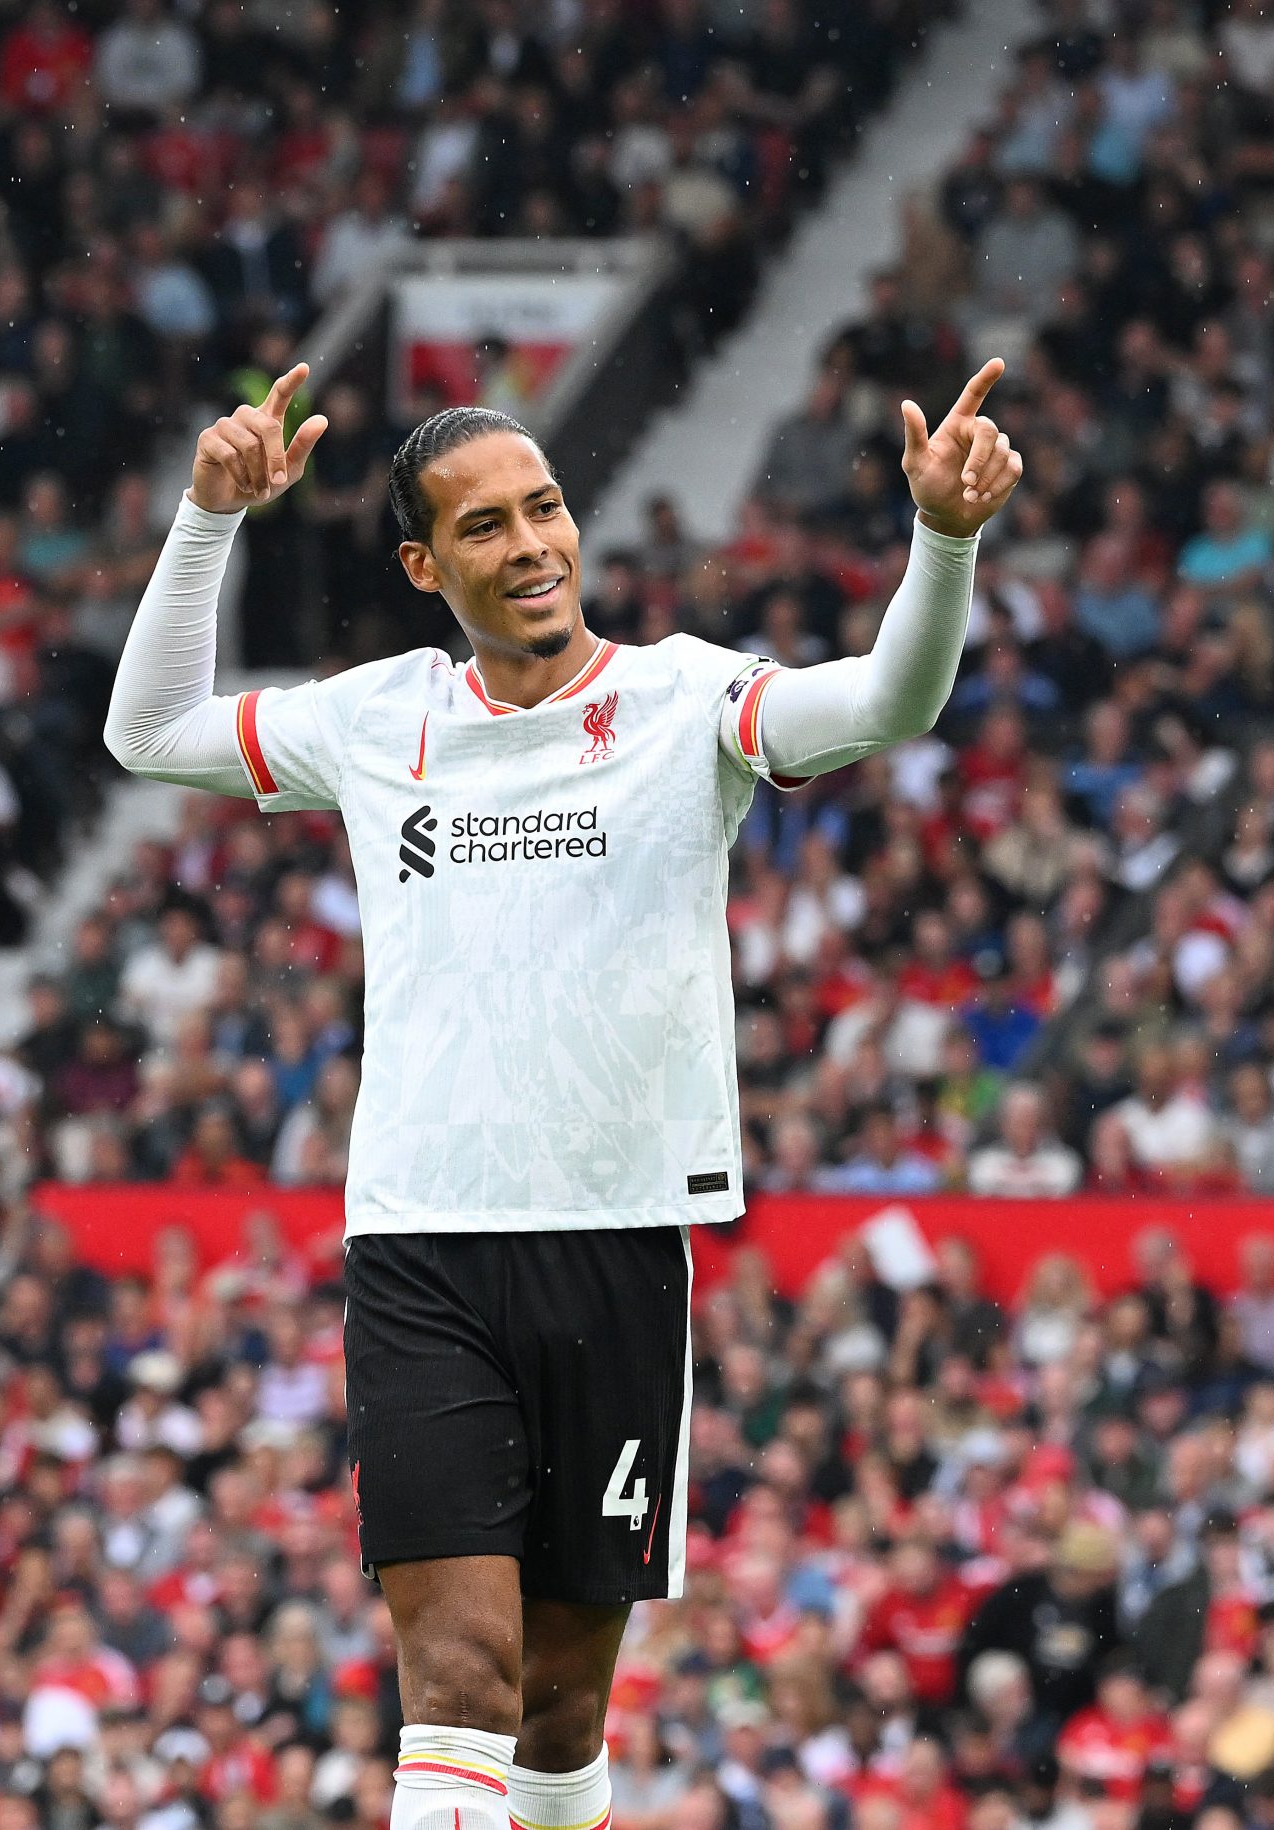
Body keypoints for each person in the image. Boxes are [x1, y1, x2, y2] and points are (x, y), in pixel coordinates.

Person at [102, 358, 1024, 1830]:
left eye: (544, 508)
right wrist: (208, 517)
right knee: (458, 1677)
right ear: (424, 564)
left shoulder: (685, 700)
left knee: (557, 1710)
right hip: (425, 1249)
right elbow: (146, 732)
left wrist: (945, 541)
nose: (530, 542)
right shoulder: (377, 720)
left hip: (615, 1243)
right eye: (484, 526)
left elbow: (889, 704)